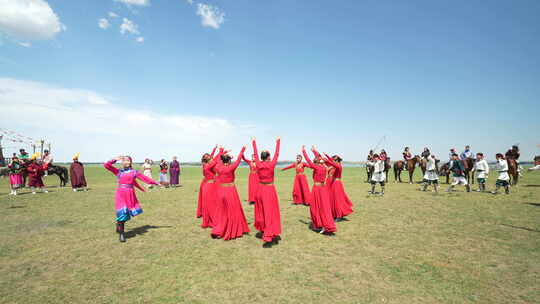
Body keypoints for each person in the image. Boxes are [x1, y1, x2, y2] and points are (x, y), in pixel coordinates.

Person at [104, 156, 159, 242]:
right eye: (124, 160)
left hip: (129, 194)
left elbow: (145, 179)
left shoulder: (134, 172)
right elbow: (106, 165)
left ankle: (118, 224)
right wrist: (115, 159)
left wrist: (156, 183)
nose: (126, 162)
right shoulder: (119, 172)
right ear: (122, 162)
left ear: (130, 162)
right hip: (120, 194)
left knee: (125, 215)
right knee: (122, 213)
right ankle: (122, 234)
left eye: (128, 160)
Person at [210, 146, 250, 241]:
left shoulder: (218, 167)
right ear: (228, 161)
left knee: (222, 211)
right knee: (233, 210)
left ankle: (220, 228)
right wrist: (242, 150)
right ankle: (232, 228)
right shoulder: (231, 168)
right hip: (230, 190)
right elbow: (238, 160)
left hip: (221, 190)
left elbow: (218, 161)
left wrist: (220, 151)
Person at [252, 137, 282, 248]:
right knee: (270, 212)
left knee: (261, 211)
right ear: (268, 157)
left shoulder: (258, 164)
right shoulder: (271, 164)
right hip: (269, 190)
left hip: (260, 189)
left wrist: (254, 142)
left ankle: (264, 229)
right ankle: (268, 235)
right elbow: (277, 153)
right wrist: (278, 142)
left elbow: (255, 154)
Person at [302, 146, 336, 235]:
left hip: (317, 189)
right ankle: (321, 224)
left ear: (315, 162)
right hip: (323, 189)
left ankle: (322, 225)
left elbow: (308, 161)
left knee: (315, 207)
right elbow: (318, 158)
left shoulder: (317, 167)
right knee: (323, 207)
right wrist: (314, 151)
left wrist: (304, 151)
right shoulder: (324, 167)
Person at [323, 153, 353, 221]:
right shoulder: (335, 165)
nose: (333, 161)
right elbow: (331, 162)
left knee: (337, 200)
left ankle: (339, 216)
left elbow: (331, 162)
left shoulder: (339, 166)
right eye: (333, 160)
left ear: (338, 160)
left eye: (335, 160)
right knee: (333, 199)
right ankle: (335, 214)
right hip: (334, 183)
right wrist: (326, 156)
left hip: (337, 184)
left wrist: (325, 160)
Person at [198, 146, 219, 228]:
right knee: (211, 203)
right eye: (209, 157)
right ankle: (211, 218)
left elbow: (213, 157)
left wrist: (215, 149)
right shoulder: (207, 166)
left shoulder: (206, 164)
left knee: (211, 202)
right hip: (209, 185)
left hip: (210, 184)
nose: (210, 158)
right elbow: (215, 160)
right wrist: (221, 152)